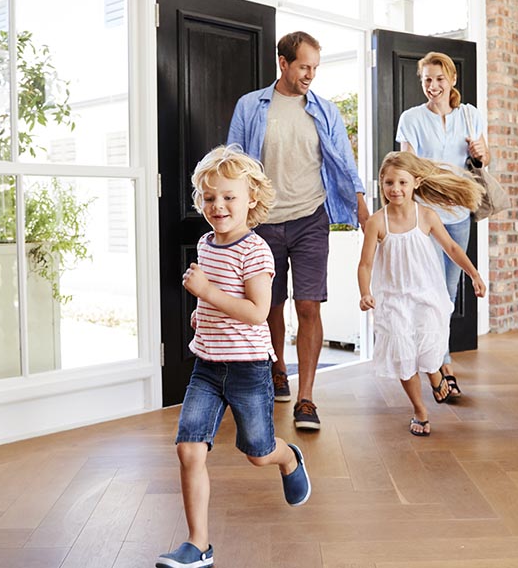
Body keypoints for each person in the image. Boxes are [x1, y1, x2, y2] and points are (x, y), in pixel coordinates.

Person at [157, 145, 311, 568]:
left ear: (251, 200)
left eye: (229, 197)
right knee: (189, 449)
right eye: (209, 198)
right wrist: (201, 313)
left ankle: (288, 457)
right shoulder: (206, 243)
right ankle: (198, 544)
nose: (218, 206)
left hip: (248, 370)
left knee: (257, 452)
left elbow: (257, 312)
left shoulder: (255, 252)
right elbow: (221, 301)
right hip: (206, 367)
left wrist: (207, 293)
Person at [228, 31, 369, 431]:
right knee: (270, 305)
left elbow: (343, 160)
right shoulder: (251, 106)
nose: (310, 74)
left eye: (315, 68)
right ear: (283, 63)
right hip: (264, 223)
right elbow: (234, 161)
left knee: (308, 305)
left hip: (310, 217)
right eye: (304, 66)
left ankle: (306, 397)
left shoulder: (324, 110)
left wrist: (360, 204)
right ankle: (277, 368)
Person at [357, 152, 487, 436]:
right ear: (382, 184)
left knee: (429, 345)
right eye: (389, 182)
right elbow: (365, 263)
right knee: (404, 356)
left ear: (416, 183)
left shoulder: (426, 216)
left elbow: (452, 248)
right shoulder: (377, 223)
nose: (396, 189)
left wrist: (474, 274)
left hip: (426, 294)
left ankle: (435, 373)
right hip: (392, 299)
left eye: (402, 182)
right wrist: (365, 293)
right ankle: (420, 410)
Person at [395, 51, 490, 399]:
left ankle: (437, 358)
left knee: (447, 294)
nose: (432, 86)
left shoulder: (470, 115)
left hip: (460, 214)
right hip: (427, 216)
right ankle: (441, 364)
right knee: (428, 291)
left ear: (451, 80)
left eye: (438, 79)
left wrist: (480, 151)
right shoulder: (411, 118)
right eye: (426, 80)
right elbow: (406, 166)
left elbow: (484, 159)